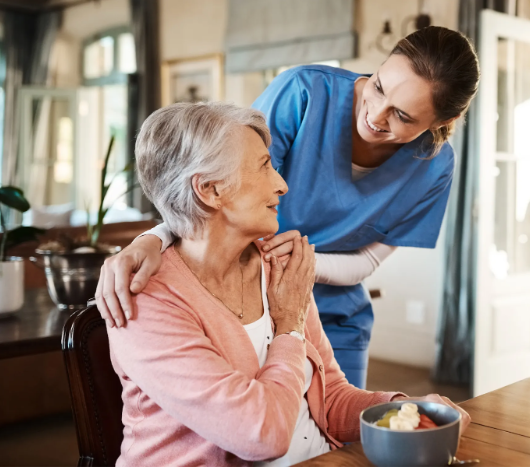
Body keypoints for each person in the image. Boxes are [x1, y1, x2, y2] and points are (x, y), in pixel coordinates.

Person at [98, 26, 481, 389]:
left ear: (443, 121)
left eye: (402, 116)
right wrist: (153, 238)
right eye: (378, 87)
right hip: (244, 300)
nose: (375, 115)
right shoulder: (304, 93)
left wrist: (300, 269)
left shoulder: (434, 167)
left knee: (339, 443)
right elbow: (215, 185)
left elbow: (368, 262)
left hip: (334, 314)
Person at [106, 101, 470, 466]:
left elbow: (330, 400)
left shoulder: (278, 268)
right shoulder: (145, 300)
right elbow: (263, 435)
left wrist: (404, 410)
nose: (282, 185)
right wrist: (290, 327)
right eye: (265, 166)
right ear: (210, 190)